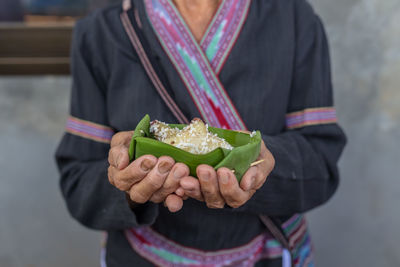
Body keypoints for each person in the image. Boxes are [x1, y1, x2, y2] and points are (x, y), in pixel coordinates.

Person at [55, 0, 346, 266]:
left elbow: (320, 163)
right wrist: (125, 181)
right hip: (141, 258)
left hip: (265, 256)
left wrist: (262, 165)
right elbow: (78, 183)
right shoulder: (103, 31)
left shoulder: (294, 19)